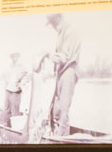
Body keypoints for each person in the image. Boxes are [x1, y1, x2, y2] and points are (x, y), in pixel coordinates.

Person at [23, 13, 81, 142]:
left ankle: (61, 141)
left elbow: (64, 57)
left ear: (59, 18)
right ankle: (54, 136)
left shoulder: (70, 31)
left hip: (69, 71)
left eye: (54, 23)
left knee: (63, 111)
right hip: (61, 72)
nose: (53, 26)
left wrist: (48, 54)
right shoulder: (61, 33)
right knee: (55, 110)